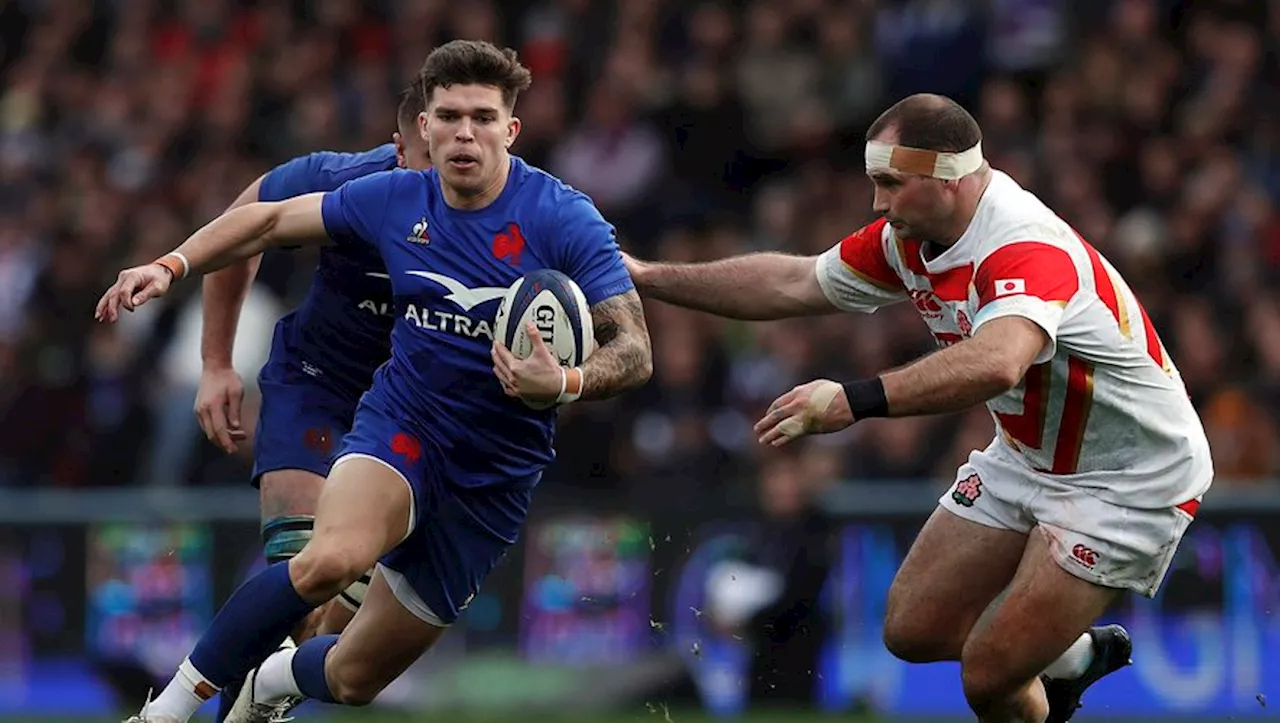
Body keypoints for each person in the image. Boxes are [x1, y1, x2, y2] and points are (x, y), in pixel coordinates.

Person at [97, 39, 652, 723]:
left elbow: (633, 348)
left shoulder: (562, 217)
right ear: (423, 128)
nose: (464, 133)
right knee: (326, 559)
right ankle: (167, 711)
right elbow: (266, 217)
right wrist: (172, 266)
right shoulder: (386, 194)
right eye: (449, 116)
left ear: (511, 130)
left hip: (494, 473)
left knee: (353, 674)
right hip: (401, 423)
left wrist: (564, 380)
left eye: (482, 117)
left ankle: (270, 683)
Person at [623, 94, 1212, 723]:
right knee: (912, 629)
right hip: (1029, 454)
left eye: (890, 184)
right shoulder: (909, 238)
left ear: (949, 177)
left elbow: (997, 361)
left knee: (989, 675)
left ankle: (1037, 670)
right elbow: (793, 282)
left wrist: (854, 399)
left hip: (1127, 479)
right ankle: (1071, 660)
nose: (877, 203)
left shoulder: (1024, 246)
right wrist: (649, 277)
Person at [194, 79, 432, 723]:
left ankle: (257, 699)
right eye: (426, 155)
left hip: (416, 411)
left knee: (329, 638)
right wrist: (217, 361)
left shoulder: (516, 214)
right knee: (303, 582)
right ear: (399, 148)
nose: (442, 176)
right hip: (318, 386)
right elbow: (237, 229)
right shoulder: (342, 182)